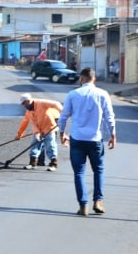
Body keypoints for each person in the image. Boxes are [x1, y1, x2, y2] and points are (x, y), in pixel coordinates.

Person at [57, 68, 117, 216]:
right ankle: (98, 201)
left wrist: (62, 132)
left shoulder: (73, 94)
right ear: (94, 79)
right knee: (99, 170)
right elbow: (109, 116)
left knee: (79, 173)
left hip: (77, 139)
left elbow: (64, 116)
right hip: (95, 139)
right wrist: (113, 134)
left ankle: (83, 205)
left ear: (82, 79)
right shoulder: (103, 94)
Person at [15, 93, 62, 171]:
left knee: (50, 145)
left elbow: (56, 104)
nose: (23, 105)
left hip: (49, 127)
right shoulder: (28, 111)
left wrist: (63, 114)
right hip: (37, 130)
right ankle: (32, 163)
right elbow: (24, 123)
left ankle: (53, 164)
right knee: (34, 145)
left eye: (24, 103)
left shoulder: (41, 102)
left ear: (28, 101)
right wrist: (19, 134)